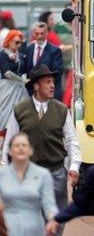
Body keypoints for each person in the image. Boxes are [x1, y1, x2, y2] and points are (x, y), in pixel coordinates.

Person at [1, 65, 81, 236]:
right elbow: (9, 143)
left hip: (56, 173)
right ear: (36, 86)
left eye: (53, 82)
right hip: (27, 174)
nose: (52, 85)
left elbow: (72, 140)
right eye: (47, 82)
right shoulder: (20, 110)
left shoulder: (61, 110)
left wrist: (74, 167)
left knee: (56, 219)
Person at [0, 132, 58, 236]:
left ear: (30, 151)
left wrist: (53, 220)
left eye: (24, 145)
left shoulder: (43, 174)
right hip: (7, 229)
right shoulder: (2, 174)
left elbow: (50, 206)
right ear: (10, 151)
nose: (21, 148)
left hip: (34, 229)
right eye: (16, 145)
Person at [23, 22, 63, 100]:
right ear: (33, 34)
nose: (39, 36)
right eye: (37, 33)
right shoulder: (29, 49)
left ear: (47, 33)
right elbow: (26, 69)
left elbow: (57, 72)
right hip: (32, 93)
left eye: (42, 33)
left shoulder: (55, 50)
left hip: (49, 94)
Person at [0, 30, 28, 133]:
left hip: (20, 88)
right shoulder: (2, 54)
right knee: (5, 112)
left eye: (20, 43)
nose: (19, 45)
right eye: (16, 42)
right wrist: (22, 80)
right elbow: (7, 73)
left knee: (21, 111)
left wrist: (23, 79)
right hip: (7, 87)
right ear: (9, 40)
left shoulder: (20, 55)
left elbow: (24, 70)